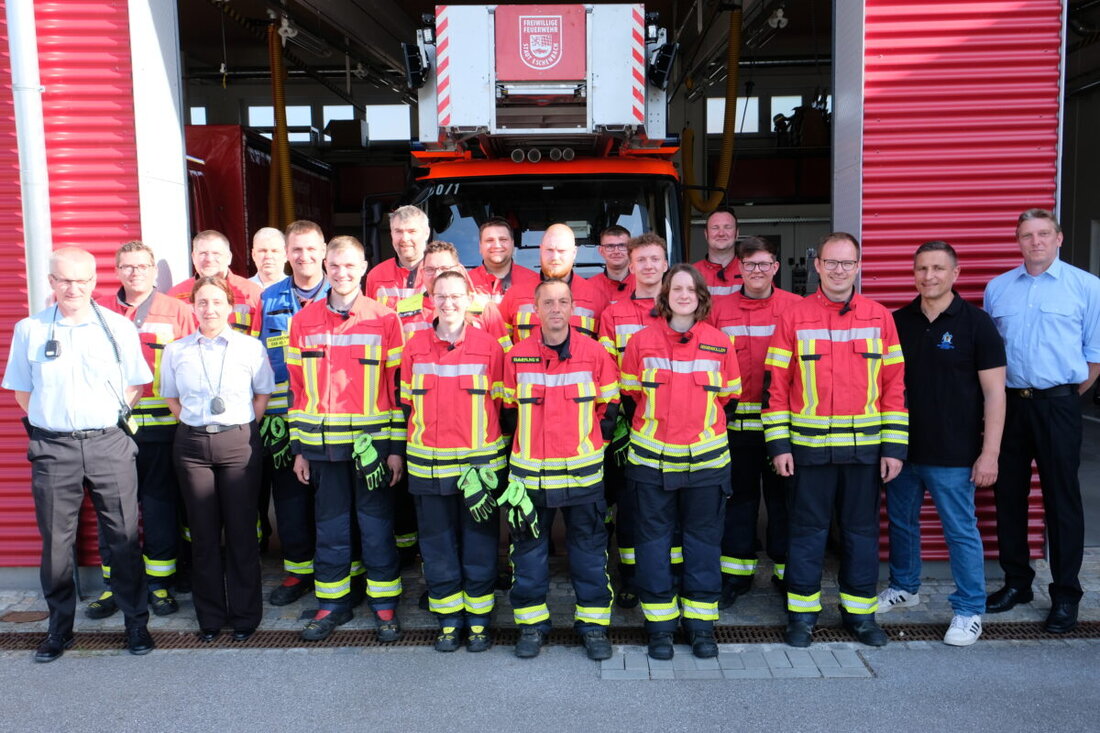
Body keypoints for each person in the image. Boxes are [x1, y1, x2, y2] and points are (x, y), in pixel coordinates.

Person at [2, 247, 155, 662]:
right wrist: (57, 422)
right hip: (54, 448)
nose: (74, 287)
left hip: (109, 443)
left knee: (123, 538)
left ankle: (136, 625)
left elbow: (136, 385)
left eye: (83, 279)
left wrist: (106, 416)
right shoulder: (30, 330)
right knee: (56, 545)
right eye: (65, 279)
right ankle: (59, 630)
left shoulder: (116, 328)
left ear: (94, 282)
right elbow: (22, 391)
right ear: (51, 281)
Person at [763, 232, 907, 648]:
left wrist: (895, 449)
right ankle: (802, 616)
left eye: (848, 263)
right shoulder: (794, 316)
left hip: (865, 452)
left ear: (858, 267)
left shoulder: (880, 318)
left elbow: (894, 387)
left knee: (861, 535)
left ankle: (860, 616)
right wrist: (779, 446)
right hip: (808, 452)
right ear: (819, 266)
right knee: (806, 534)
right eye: (832, 262)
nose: (840, 270)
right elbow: (776, 386)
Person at [879, 241, 1006, 646]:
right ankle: (905, 587)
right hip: (902, 448)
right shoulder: (897, 321)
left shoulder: (977, 324)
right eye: (921, 268)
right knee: (901, 523)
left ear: (956, 273)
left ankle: (969, 610)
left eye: (937, 268)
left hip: (954, 452)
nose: (928, 276)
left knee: (960, 530)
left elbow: (995, 394)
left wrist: (990, 453)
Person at [983, 208, 1100, 633]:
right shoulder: (998, 289)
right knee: (1007, 496)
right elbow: (992, 357)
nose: (1035, 242)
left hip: (1059, 405)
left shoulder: (1087, 288)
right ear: (1018, 240)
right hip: (1010, 406)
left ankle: (1066, 595)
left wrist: (1063, 398)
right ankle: (1018, 583)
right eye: (1027, 235)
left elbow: (1094, 358)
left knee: (1062, 501)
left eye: (1043, 234)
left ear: (1059, 238)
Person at [287, 235, 406, 642]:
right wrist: (299, 449)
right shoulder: (303, 321)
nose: (341, 273)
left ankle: (384, 605)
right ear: (324, 265)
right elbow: (297, 391)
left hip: (372, 449)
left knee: (375, 527)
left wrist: (394, 450)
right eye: (335, 265)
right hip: (322, 449)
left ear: (364, 267)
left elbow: (396, 390)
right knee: (331, 528)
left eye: (350, 266)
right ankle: (333, 604)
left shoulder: (385, 319)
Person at [620, 264, 742, 660]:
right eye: (677, 288)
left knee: (703, 544)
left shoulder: (720, 343)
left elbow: (730, 401)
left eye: (691, 288)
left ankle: (701, 626)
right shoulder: (641, 342)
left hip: (706, 463)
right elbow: (630, 399)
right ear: (665, 295)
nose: (684, 295)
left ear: (701, 295)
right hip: (651, 463)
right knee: (653, 545)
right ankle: (659, 627)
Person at [502, 279, 619, 661]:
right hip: (529, 478)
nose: (556, 309)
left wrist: (589, 445)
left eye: (563, 302)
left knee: (588, 553)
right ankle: (532, 626)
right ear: (535, 310)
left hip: (582, 477)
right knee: (528, 554)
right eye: (548, 302)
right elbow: (506, 414)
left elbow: (609, 410)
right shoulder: (516, 356)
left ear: (573, 309)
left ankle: (593, 626)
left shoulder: (596, 354)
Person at [400, 270, 507, 653]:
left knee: (479, 543)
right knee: (437, 546)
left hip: (479, 469)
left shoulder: (490, 347)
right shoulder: (414, 347)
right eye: (441, 296)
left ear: (468, 299)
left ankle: (478, 619)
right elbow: (406, 405)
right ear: (431, 299)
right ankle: (448, 619)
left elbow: (502, 406)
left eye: (456, 296)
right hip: (428, 468)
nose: (448, 303)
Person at [162, 276, 274, 641]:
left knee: (242, 533)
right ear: (193, 306)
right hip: (193, 447)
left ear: (230, 307)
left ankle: (244, 617)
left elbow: (261, 396)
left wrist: (238, 428)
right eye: (202, 302)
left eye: (216, 302)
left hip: (238, 444)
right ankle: (209, 618)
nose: (210, 309)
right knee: (204, 536)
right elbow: (172, 400)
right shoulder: (177, 351)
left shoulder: (250, 347)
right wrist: (200, 425)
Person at [90, 241, 195, 621]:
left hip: (163, 431)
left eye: (142, 266)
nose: (135, 273)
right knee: (112, 511)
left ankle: (159, 584)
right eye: (127, 266)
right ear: (117, 271)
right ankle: (113, 586)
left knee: (159, 508)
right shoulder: (97, 312)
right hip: (111, 431)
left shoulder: (179, 312)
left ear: (154, 271)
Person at [707, 236, 801, 607]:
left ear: (776, 267)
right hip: (734, 428)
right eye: (749, 265)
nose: (757, 271)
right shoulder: (718, 308)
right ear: (739, 269)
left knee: (784, 502)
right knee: (738, 503)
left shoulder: (795, 308)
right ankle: (736, 575)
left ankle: (785, 572)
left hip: (782, 428)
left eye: (764, 264)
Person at [254, 220, 329, 606]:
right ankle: (298, 571)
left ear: (324, 251)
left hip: (334, 417)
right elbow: (255, 356)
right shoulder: (267, 299)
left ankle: (339, 571)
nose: (304, 256)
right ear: (287, 254)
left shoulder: (344, 293)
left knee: (333, 500)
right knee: (290, 499)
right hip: (284, 420)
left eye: (311, 248)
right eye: (296, 249)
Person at [597, 232, 669, 607]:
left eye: (655, 259)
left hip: (671, 431)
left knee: (662, 508)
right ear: (631, 264)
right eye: (642, 260)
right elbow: (607, 373)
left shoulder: (683, 309)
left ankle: (665, 577)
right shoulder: (614, 314)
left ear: (665, 264)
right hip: (629, 427)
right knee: (627, 505)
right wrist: (619, 423)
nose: (649, 266)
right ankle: (630, 577)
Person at [499, 223, 608, 343]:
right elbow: (502, 347)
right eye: (549, 250)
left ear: (574, 252)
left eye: (561, 251)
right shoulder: (514, 295)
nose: (555, 257)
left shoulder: (597, 298)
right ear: (541, 250)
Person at [394, 241, 510, 348]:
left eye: (444, 268)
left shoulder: (486, 310)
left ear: (459, 270)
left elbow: (501, 357)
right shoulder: (401, 311)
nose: (437, 275)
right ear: (422, 273)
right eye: (430, 269)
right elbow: (398, 365)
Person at [168, 230, 263, 335]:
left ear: (229, 257)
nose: (209, 259)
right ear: (193, 257)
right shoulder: (175, 296)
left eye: (216, 253)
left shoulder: (254, 293)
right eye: (203, 253)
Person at [367, 204, 429, 310]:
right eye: (398, 231)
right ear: (391, 234)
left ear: (426, 233)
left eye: (412, 231)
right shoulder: (376, 275)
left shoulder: (448, 271)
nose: (405, 238)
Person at [468, 217, 540, 306]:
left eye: (503, 239)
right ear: (480, 246)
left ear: (513, 244)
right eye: (489, 240)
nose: (497, 245)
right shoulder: (465, 283)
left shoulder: (536, 282)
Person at [693, 208, 742, 300]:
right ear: (706, 234)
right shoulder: (691, 274)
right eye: (715, 227)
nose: (721, 233)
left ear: (737, 233)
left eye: (727, 227)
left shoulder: (752, 272)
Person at [588, 225, 635, 304]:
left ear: (630, 249)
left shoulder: (644, 284)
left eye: (622, 246)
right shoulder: (588, 287)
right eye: (610, 246)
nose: (616, 251)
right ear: (601, 251)